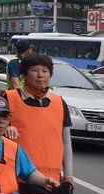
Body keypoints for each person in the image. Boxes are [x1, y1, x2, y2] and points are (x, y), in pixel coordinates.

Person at [4, 53, 74, 185]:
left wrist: (68, 175)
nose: (41, 75)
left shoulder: (59, 102)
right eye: (35, 70)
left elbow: (66, 141)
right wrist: (6, 128)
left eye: (45, 71)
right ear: (24, 74)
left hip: (52, 179)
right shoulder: (9, 98)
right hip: (16, 177)